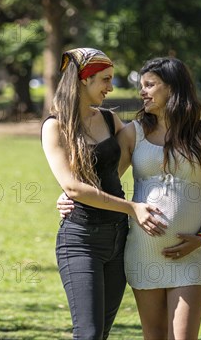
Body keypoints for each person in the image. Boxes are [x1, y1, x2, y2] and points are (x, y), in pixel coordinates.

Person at [58, 57, 201, 340]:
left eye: (150, 85)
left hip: (192, 254)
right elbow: (103, 175)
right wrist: (67, 193)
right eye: (141, 86)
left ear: (172, 88)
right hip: (143, 253)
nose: (142, 92)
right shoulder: (134, 132)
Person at [41, 47, 167, 340]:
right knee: (88, 334)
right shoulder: (55, 126)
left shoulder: (110, 120)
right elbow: (72, 186)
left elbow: (154, 141)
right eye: (105, 80)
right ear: (84, 79)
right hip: (81, 241)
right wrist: (130, 207)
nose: (111, 87)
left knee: (101, 334)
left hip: (119, 240)